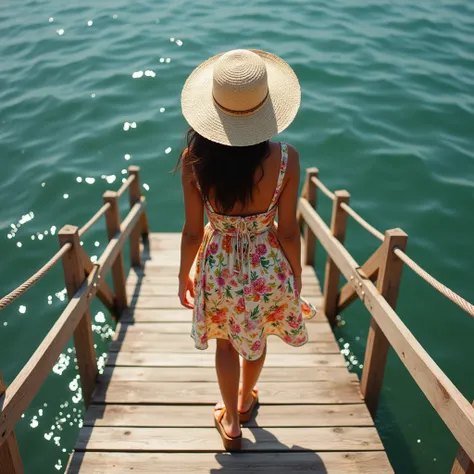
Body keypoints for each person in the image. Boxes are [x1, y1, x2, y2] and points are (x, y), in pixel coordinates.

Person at [177, 49, 317, 451]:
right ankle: (244, 399)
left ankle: (232, 423)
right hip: (267, 263)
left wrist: (183, 274)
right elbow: (289, 230)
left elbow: (190, 232)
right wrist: (295, 273)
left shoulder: (194, 161)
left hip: (218, 261)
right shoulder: (287, 159)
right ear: (266, 109)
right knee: (256, 336)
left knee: (225, 341)